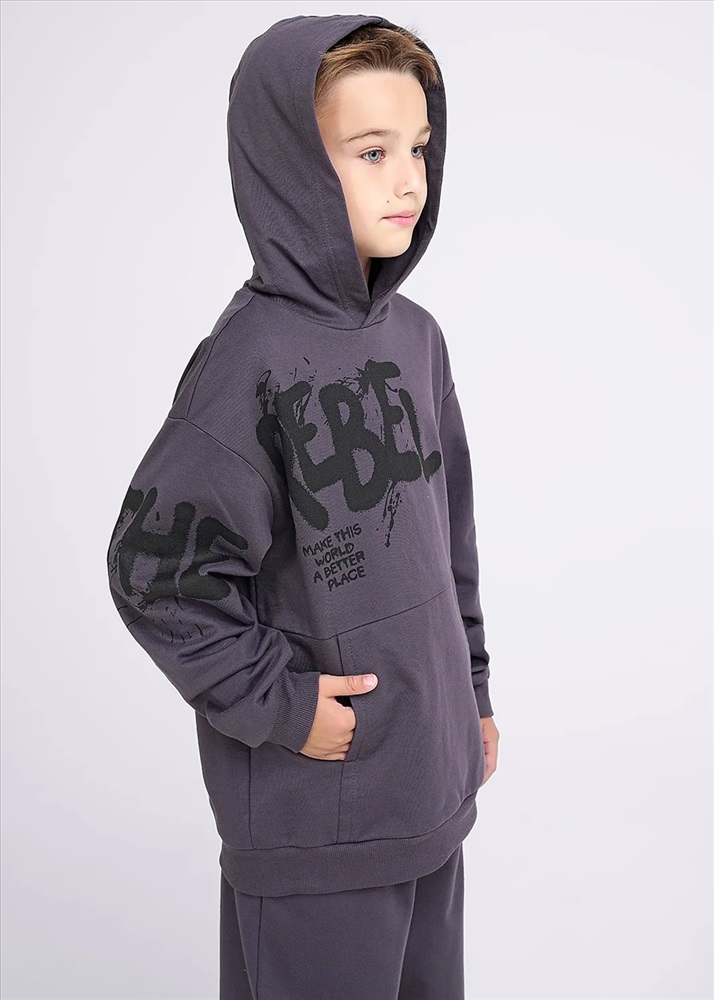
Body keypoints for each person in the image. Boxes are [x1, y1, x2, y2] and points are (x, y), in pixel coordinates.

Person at [106, 12, 499, 1000]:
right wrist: (281, 704)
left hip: (428, 791)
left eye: (418, 147)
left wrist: (473, 697)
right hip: (317, 817)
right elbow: (156, 572)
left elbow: (449, 541)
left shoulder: (417, 338)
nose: (408, 180)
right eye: (371, 152)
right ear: (289, 167)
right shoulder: (249, 360)